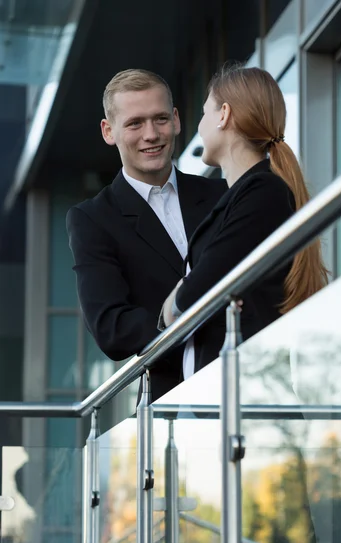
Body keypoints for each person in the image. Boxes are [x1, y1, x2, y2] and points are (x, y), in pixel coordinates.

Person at [66, 69, 227, 400]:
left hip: (253, 382)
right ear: (109, 131)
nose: (151, 134)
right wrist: (199, 324)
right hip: (173, 407)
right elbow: (112, 327)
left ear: (177, 120)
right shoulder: (92, 219)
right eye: (135, 123)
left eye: (160, 119)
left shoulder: (223, 194)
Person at [160, 65, 328, 376]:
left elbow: (199, 288)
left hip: (245, 390)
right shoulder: (252, 192)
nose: (198, 126)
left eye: (204, 113)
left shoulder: (263, 191)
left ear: (223, 114)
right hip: (230, 388)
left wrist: (174, 301)